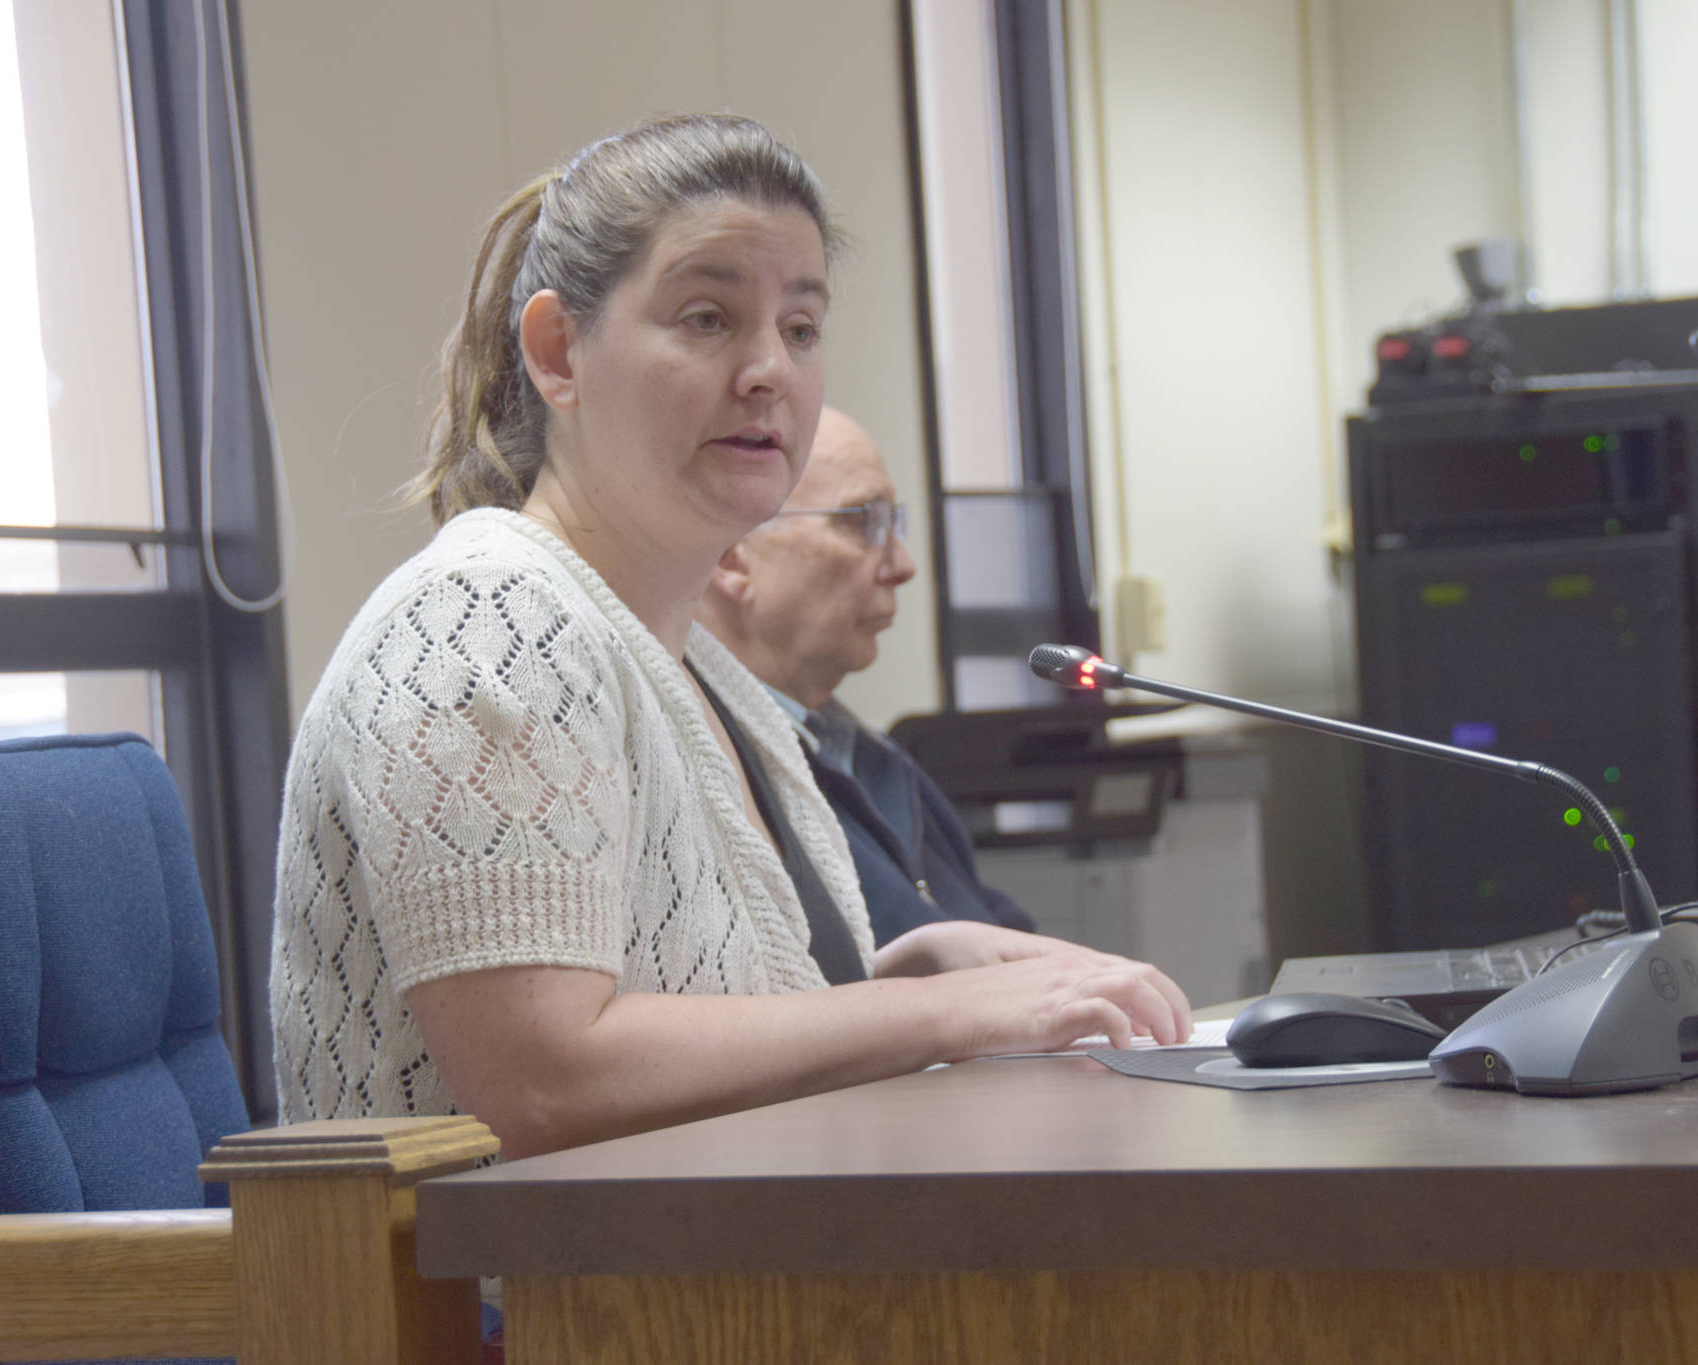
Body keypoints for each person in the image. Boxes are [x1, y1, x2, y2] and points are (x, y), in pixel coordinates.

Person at [267, 114, 1190, 1160]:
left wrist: (916, 967)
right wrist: (943, 1019)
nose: (767, 370)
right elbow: (544, 1081)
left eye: (800, 329)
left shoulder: (693, 661)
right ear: (558, 351)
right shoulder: (486, 621)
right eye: (706, 319)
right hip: (523, 1319)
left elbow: (699, 1012)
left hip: (705, 1284)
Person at [697, 406, 1038, 944]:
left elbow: (1010, 942)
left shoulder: (876, 760)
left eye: (891, 525)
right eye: (861, 522)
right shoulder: (706, 776)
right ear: (730, 555)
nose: (902, 565)